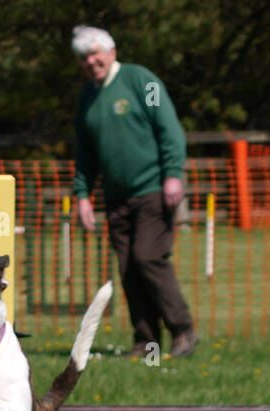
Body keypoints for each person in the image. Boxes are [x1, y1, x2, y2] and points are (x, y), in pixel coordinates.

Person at [71, 25, 197, 359]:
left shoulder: (143, 81)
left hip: (153, 189)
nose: (91, 61)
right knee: (128, 268)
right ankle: (146, 342)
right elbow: (85, 153)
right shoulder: (87, 97)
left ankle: (183, 330)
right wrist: (83, 195)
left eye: (96, 53)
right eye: (84, 57)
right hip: (116, 198)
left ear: (112, 52)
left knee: (148, 258)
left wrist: (173, 175)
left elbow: (168, 128)